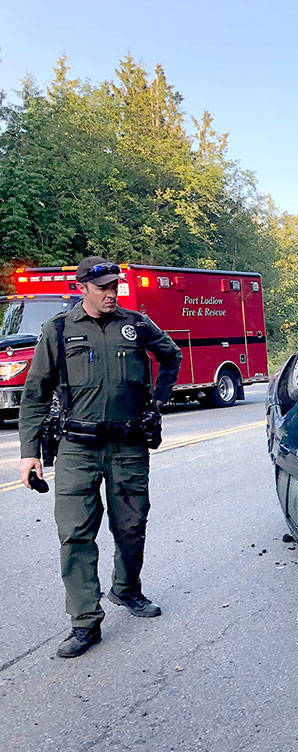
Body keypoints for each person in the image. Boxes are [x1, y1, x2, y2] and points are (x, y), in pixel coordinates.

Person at [17, 256, 183, 658]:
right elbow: (35, 393)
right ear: (83, 289)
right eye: (104, 287)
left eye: (115, 286)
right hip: (78, 448)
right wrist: (29, 454)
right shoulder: (58, 330)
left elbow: (172, 354)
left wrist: (157, 400)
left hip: (128, 445)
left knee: (130, 526)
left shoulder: (137, 325)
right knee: (75, 534)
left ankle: (127, 590)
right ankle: (85, 622)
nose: (112, 293)